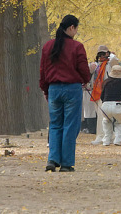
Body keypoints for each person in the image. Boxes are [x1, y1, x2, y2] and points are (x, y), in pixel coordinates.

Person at [39, 15, 91, 172]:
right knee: (70, 125)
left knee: (55, 124)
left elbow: (43, 70)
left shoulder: (48, 46)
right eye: (76, 29)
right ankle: (67, 163)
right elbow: (83, 69)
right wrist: (86, 79)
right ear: (71, 28)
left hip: (54, 89)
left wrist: (45, 88)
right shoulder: (77, 47)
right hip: (72, 89)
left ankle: (52, 159)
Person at [99, 64, 121, 146]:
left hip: (105, 105)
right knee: (120, 122)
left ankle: (106, 140)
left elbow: (102, 96)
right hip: (117, 105)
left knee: (106, 121)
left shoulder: (105, 82)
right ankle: (118, 139)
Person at [90, 46, 115, 145]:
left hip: (106, 93)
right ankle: (105, 136)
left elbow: (115, 61)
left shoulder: (109, 64)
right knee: (100, 115)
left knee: (104, 116)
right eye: (100, 54)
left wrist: (112, 55)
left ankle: (102, 136)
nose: (102, 56)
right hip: (96, 92)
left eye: (104, 54)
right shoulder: (96, 65)